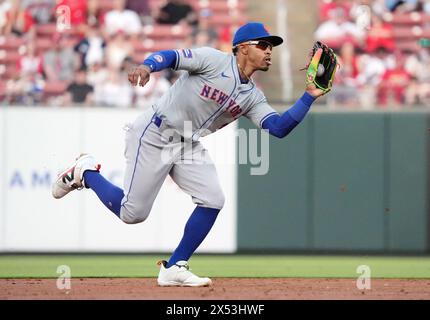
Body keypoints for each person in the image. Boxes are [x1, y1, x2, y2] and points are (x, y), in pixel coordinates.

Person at [51, 22, 333, 287]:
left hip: (187, 143)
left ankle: (174, 266)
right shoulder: (214, 60)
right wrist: (148, 66)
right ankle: (85, 171)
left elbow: (279, 128)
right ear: (243, 47)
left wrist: (308, 95)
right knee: (132, 213)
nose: (269, 50)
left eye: (272, 46)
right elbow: (172, 56)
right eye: (264, 45)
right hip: (155, 132)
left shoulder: (253, 96)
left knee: (213, 199)